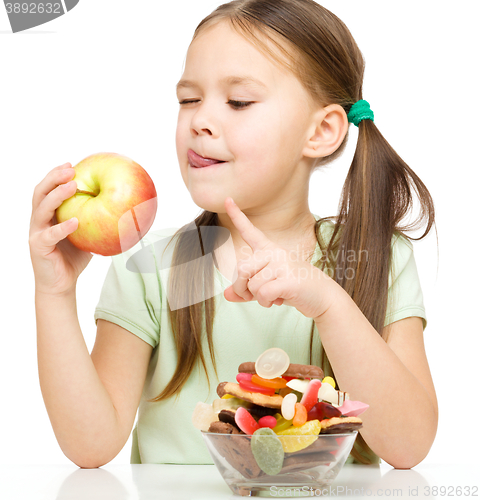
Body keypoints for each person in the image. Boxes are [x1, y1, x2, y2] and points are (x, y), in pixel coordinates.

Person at [29, 0, 438, 470]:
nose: (199, 120)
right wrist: (54, 293)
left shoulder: (377, 256)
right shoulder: (147, 265)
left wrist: (327, 302)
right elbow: (90, 445)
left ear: (322, 130)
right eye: (188, 99)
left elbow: (408, 447)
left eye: (239, 101)